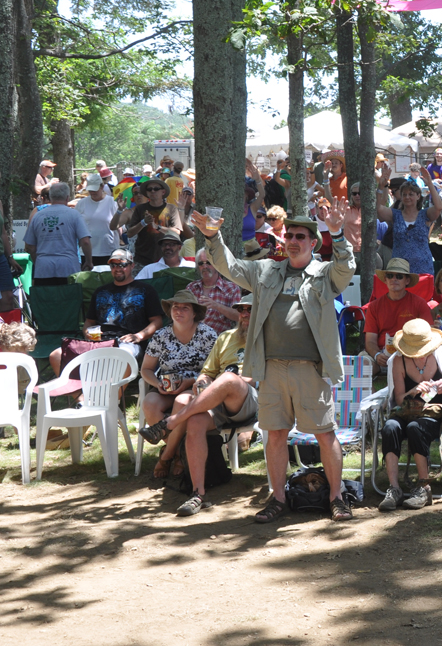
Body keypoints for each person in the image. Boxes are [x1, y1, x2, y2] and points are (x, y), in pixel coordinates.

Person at [191, 201, 356, 523]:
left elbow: (346, 266)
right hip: (271, 368)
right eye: (289, 234)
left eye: (300, 236)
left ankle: (337, 498)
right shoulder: (266, 269)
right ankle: (278, 498)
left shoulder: (324, 274)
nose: (292, 240)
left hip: (311, 368)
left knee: (325, 434)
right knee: (276, 434)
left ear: (312, 242)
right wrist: (213, 238)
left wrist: (337, 232)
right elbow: (230, 267)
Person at [140, 295, 258, 515]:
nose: (244, 315)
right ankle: (198, 493)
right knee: (194, 420)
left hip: (249, 400)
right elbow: (206, 373)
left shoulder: (268, 338)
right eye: (241, 310)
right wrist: (203, 383)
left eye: (250, 310)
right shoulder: (226, 337)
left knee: (230, 378)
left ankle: (171, 422)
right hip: (217, 401)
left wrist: (229, 381)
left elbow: (267, 375)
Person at [378, 319, 442, 511]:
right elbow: (399, 400)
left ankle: (424, 487)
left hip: (434, 415)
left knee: (415, 428)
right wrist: (414, 391)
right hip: (407, 411)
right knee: (390, 427)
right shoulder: (398, 360)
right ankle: (394, 489)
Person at [138, 291, 219, 479]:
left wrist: (188, 382)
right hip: (166, 386)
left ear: (194, 313)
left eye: (185, 307)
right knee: (149, 403)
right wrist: (157, 383)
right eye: (175, 307)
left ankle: (167, 456)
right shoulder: (161, 336)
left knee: (183, 401)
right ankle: (177, 452)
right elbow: (146, 370)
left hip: (196, 386)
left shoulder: (207, 334)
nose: (179, 311)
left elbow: (215, 370)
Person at [49, 248, 163, 373]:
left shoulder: (146, 290)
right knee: (56, 355)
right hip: (98, 341)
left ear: (132, 266)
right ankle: (78, 392)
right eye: (113, 265)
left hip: (126, 343)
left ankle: (109, 392)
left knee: (121, 357)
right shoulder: (100, 291)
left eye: (122, 264)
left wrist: (139, 336)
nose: (117, 268)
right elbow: (89, 322)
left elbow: (157, 321)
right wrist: (87, 332)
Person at [364, 258, 434, 373]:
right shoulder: (374, 306)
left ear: (407, 281)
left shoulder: (419, 303)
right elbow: (370, 340)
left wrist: (413, 353)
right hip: (382, 355)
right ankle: (371, 390)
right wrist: (376, 355)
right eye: (390, 276)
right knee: (363, 363)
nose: (394, 279)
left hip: (411, 354)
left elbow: (429, 334)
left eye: (399, 276)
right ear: (385, 280)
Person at [375, 163, 441, 276]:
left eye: (411, 194)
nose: (407, 197)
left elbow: (439, 207)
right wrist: (381, 186)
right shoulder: (395, 215)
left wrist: (430, 184)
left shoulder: (425, 214)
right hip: (399, 268)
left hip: (422, 266)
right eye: (404, 194)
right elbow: (378, 209)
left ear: (418, 196)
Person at [110, 176, 186, 270]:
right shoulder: (139, 209)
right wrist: (143, 222)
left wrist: (157, 227)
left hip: (165, 260)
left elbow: (177, 232)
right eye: (149, 189)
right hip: (142, 260)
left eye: (156, 189)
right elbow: (128, 233)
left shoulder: (171, 208)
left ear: (163, 192)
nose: (152, 191)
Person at [24, 181, 92, 281]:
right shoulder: (74, 215)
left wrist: (38, 262)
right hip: (68, 267)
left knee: (46, 296)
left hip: (43, 268)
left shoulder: (38, 216)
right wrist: (89, 261)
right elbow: (85, 241)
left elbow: (29, 246)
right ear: (67, 198)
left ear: (50, 197)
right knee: (69, 296)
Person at [188, 248, 244, 334]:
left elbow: (239, 316)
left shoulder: (231, 288)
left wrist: (217, 306)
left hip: (219, 340)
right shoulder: (191, 288)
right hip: (193, 339)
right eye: (201, 263)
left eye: (209, 263)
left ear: (217, 265)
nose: (205, 266)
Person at [77, 174, 122, 262]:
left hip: (109, 251)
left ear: (102, 186)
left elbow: (119, 226)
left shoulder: (112, 202)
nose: (93, 192)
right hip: (87, 253)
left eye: (95, 189)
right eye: (90, 190)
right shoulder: (81, 204)